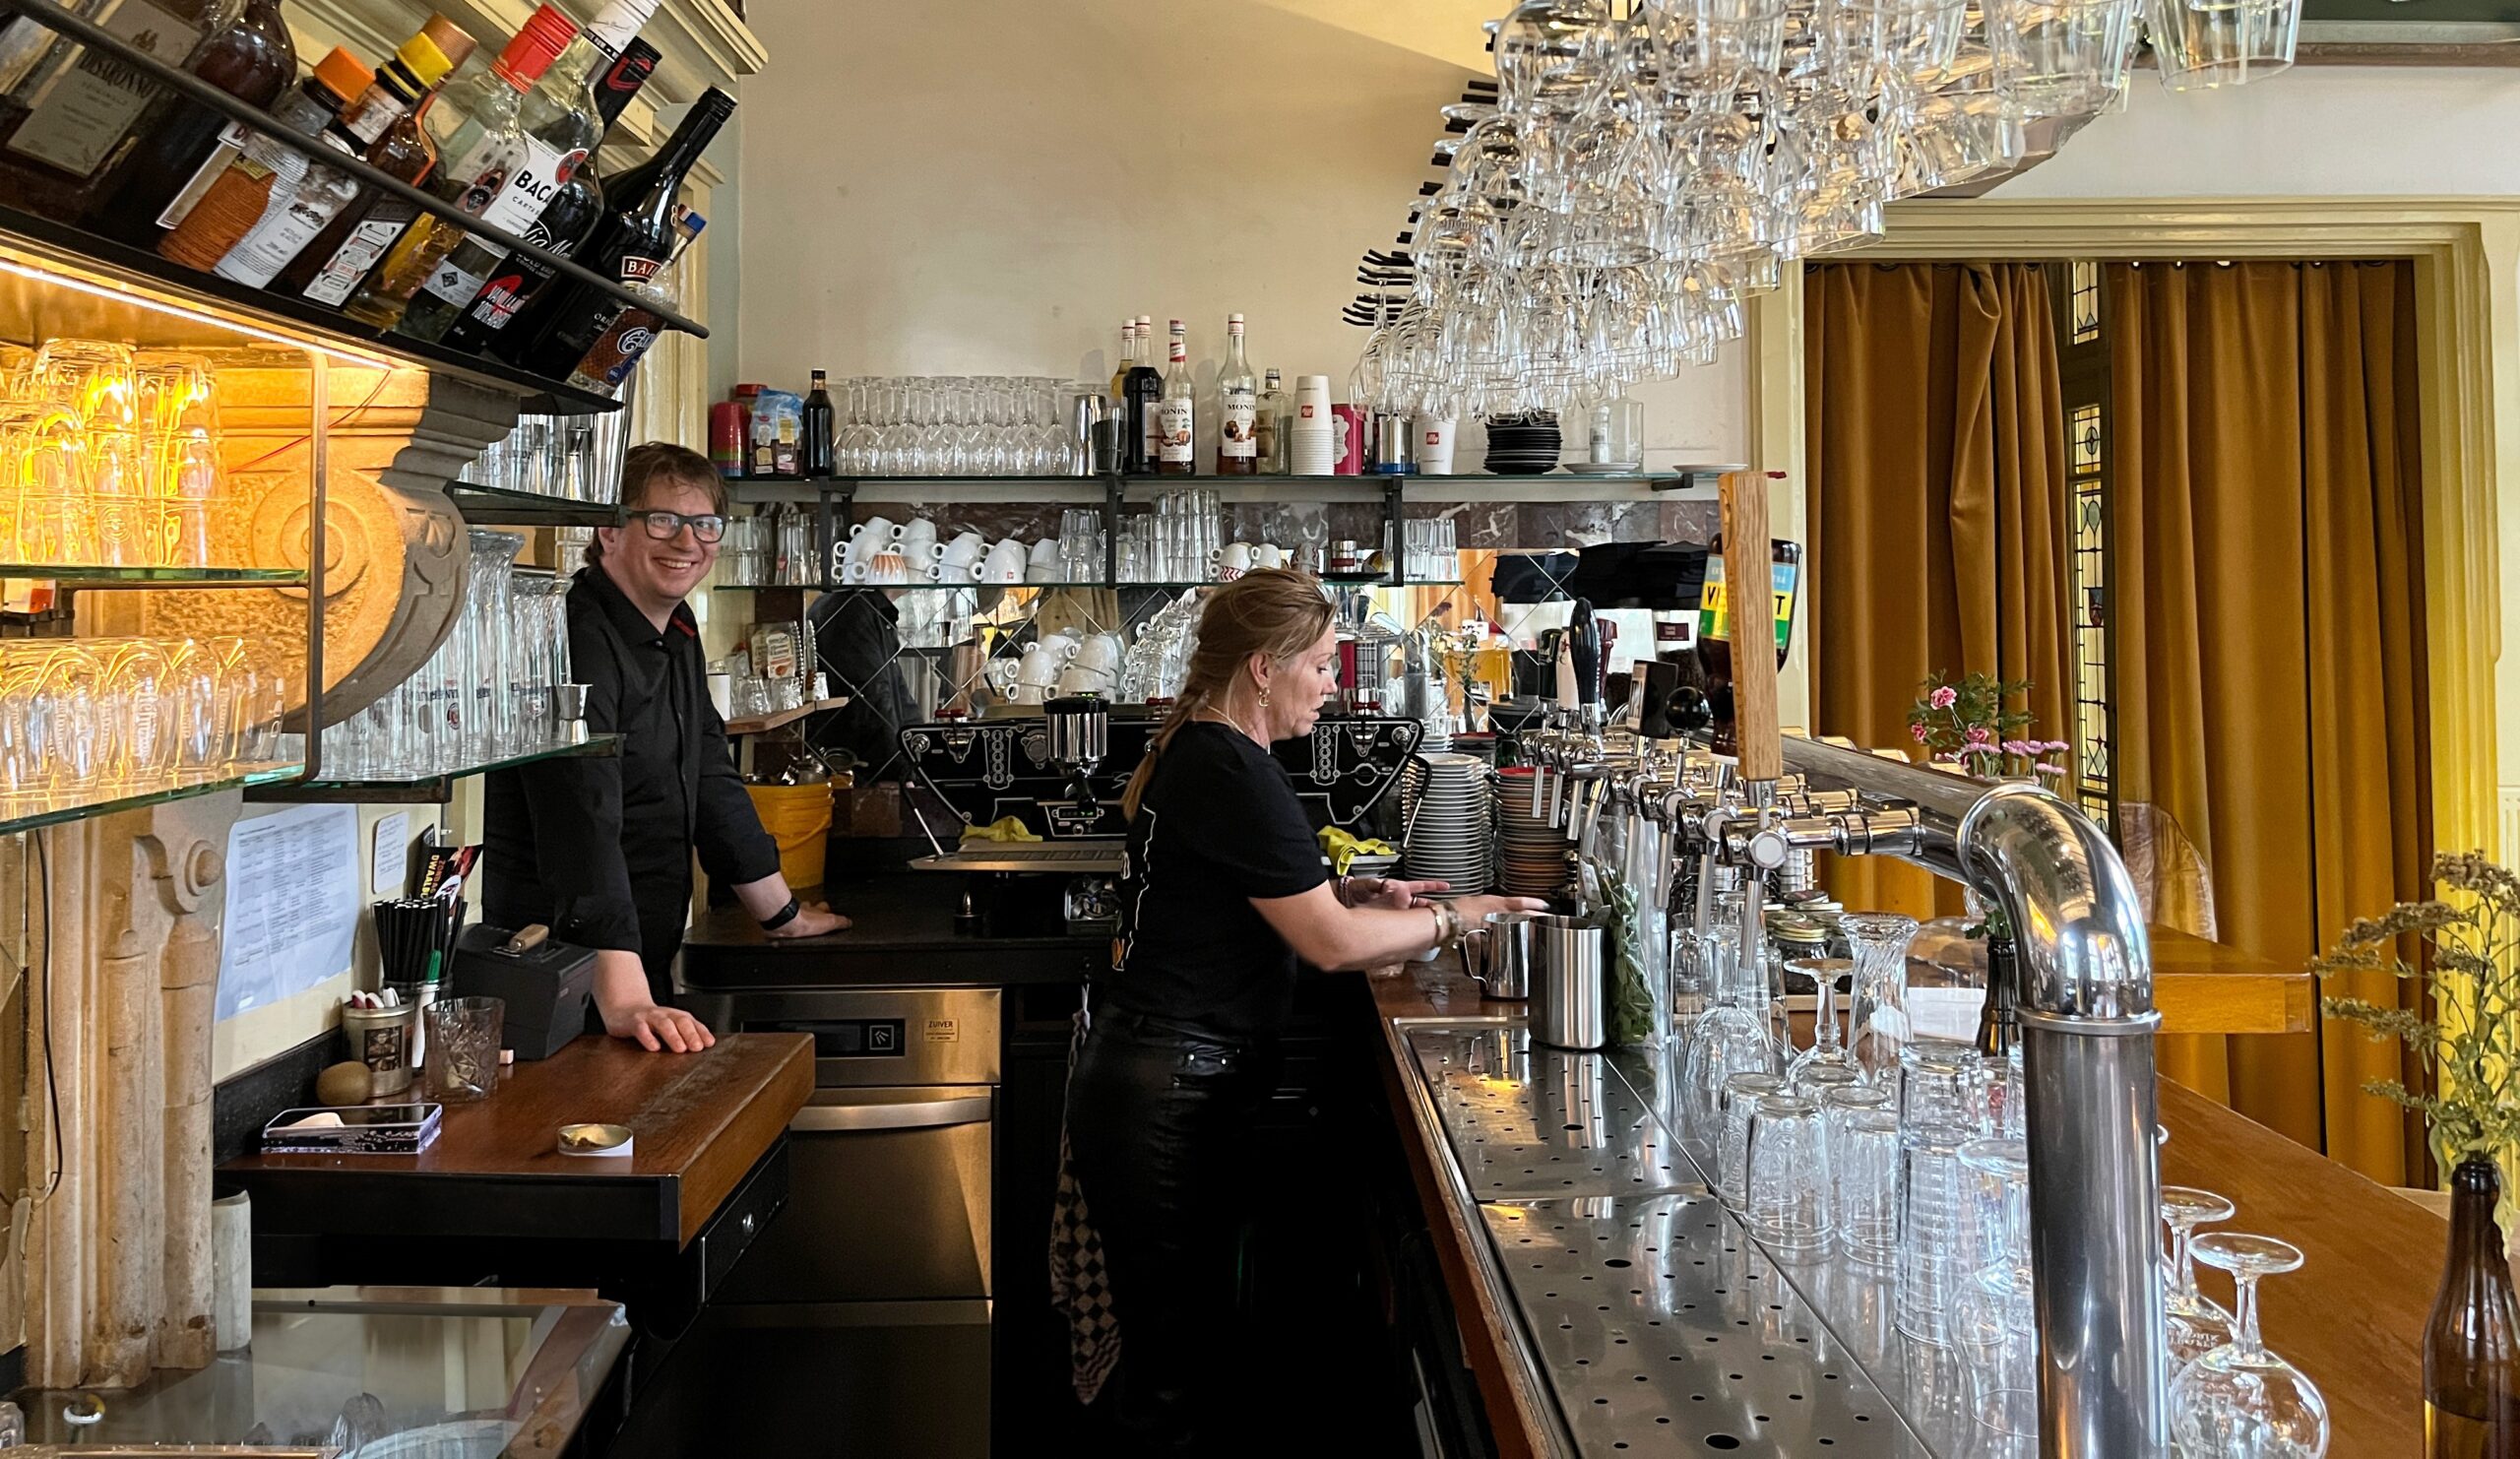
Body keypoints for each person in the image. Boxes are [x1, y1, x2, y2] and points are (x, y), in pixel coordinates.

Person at [1060, 568, 1544, 1451]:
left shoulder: (1209, 749)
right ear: (1261, 667)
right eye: (1321, 665)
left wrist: (1360, 887)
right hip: (1171, 1098)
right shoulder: (1228, 766)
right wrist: (1457, 916)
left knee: (1186, 1360)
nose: (1333, 685)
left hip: (1161, 1082)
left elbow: (1265, 893)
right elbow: (1325, 943)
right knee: (1175, 1383)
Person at [484, 442, 846, 1053]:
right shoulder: (575, 635)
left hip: (636, 960)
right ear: (608, 530)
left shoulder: (673, 628)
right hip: (563, 976)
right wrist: (625, 997)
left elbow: (709, 772)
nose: (687, 542)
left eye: (704, 524)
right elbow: (582, 817)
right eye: (662, 520)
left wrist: (780, 913)